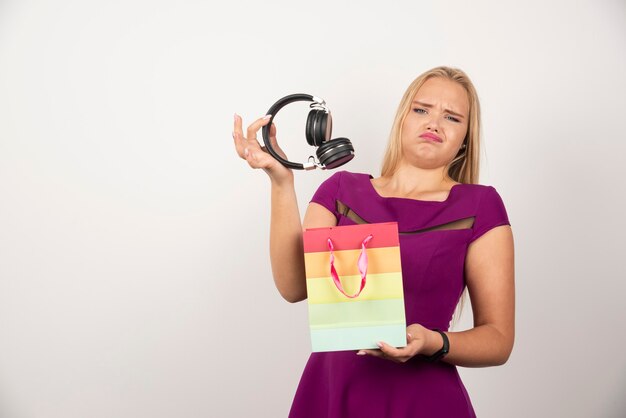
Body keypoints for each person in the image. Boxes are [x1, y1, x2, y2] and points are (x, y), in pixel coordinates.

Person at [231, 66, 515, 418]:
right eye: (421, 109)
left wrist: (433, 342)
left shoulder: (480, 205)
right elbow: (293, 286)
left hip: (425, 402)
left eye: (452, 118)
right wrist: (280, 182)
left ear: (465, 139)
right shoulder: (340, 190)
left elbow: (498, 340)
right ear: (402, 119)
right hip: (333, 394)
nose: (434, 124)